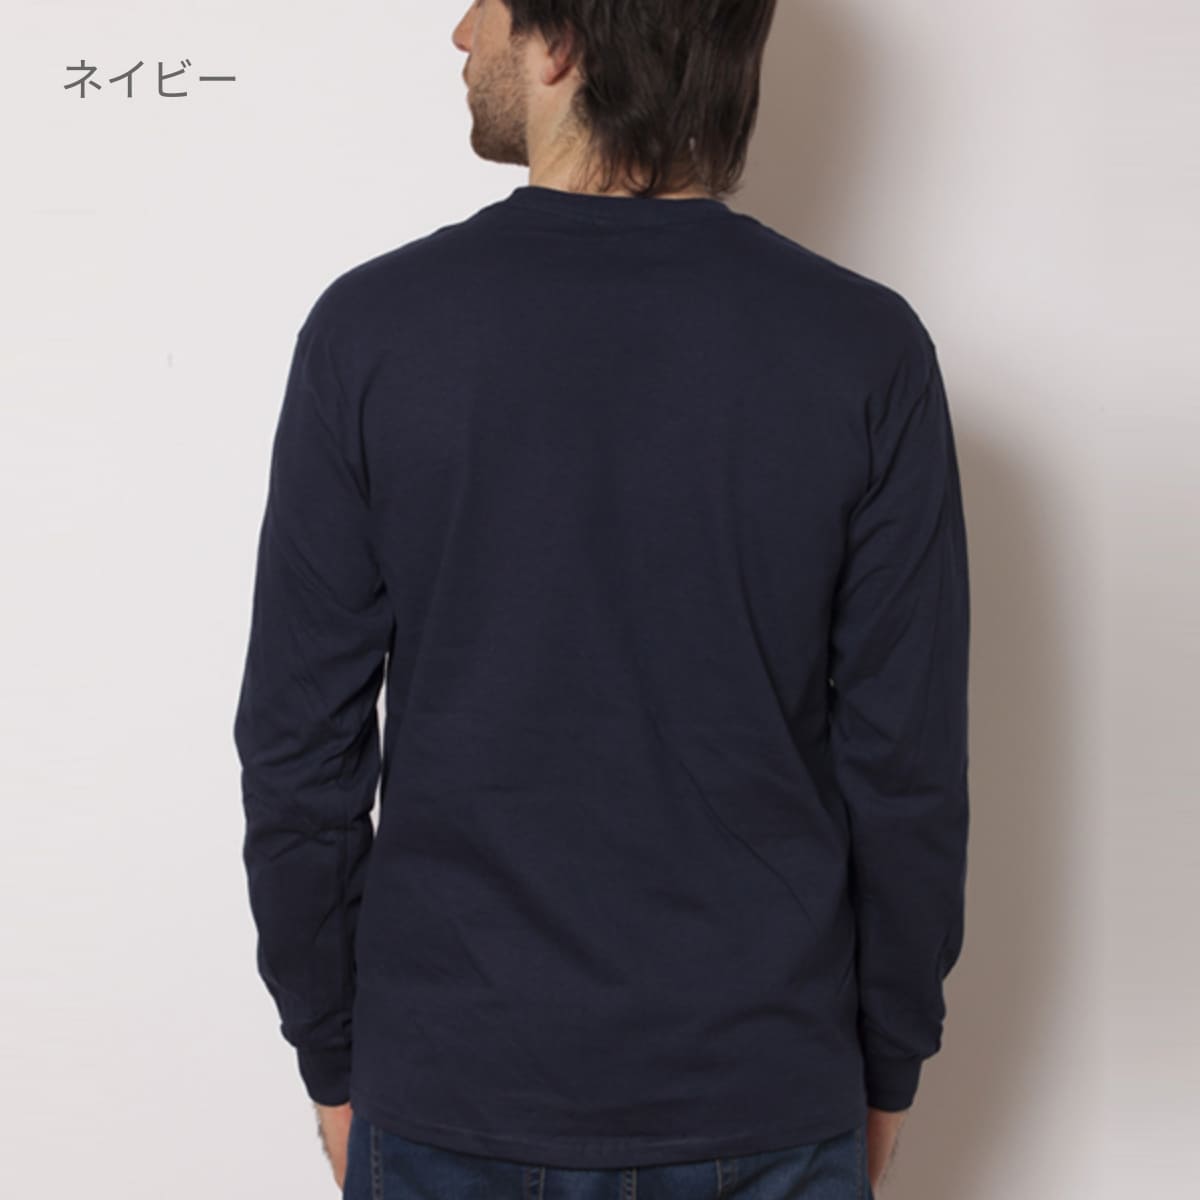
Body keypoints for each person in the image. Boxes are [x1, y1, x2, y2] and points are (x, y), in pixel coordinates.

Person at [232, 1, 971, 1196]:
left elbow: (298, 755)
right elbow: (906, 771)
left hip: (455, 1089)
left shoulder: (374, 332)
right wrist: (888, 1063)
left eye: (488, 4)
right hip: (766, 1097)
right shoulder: (865, 349)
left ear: (566, 39)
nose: (461, 33)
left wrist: (331, 1054)